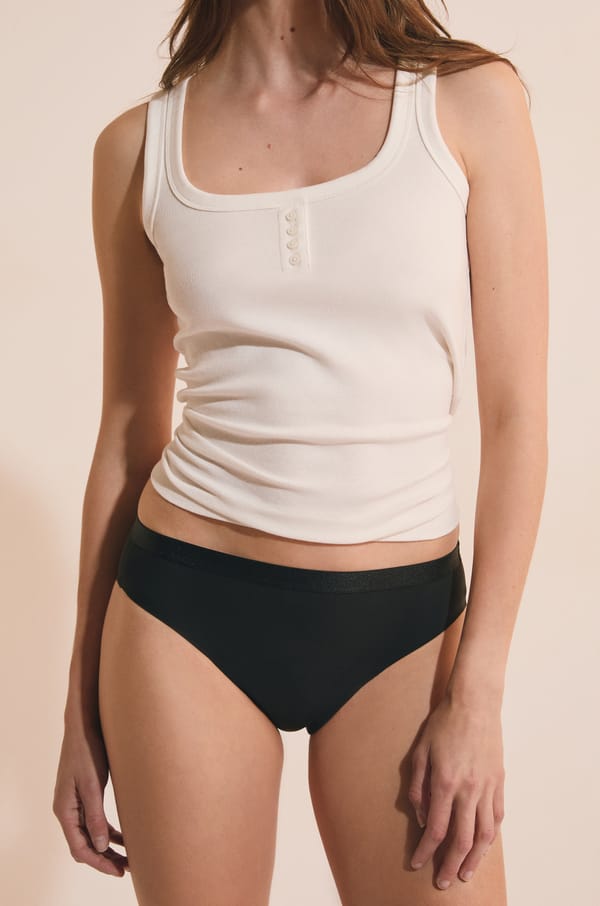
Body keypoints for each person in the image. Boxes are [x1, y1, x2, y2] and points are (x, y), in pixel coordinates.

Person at [52, 1, 548, 903]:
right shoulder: (137, 148)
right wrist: (78, 705)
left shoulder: (468, 102)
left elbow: (516, 417)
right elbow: (128, 428)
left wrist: (478, 696)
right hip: (182, 617)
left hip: (405, 631)